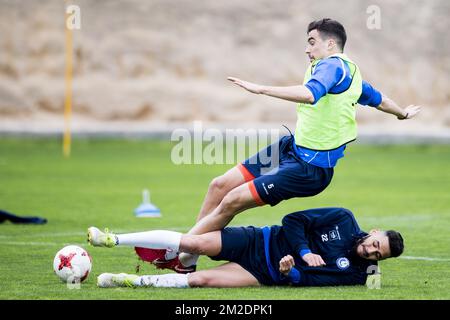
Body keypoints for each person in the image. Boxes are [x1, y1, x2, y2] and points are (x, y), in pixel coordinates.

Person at [150, 18, 420, 273]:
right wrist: (401, 113)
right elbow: (380, 99)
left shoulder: (333, 66)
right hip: (290, 148)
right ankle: (187, 258)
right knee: (219, 186)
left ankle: (178, 251)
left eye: (312, 42)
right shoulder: (349, 74)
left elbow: (310, 94)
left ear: (330, 44)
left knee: (232, 200)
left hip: (309, 170)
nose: (307, 49)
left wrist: (262, 89)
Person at [87, 207, 404, 288]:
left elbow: (312, 281)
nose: (371, 252)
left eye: (378, 255)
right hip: (258, 239)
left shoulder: (357, 273)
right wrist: (305, 250)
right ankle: (113, 239)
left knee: (200, 280)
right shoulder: (344, 220)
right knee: (194, 241)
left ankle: (125, 279)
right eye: (375, 244)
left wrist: (291, 272)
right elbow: (293, 219)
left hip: (262, 271)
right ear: (373, 232)